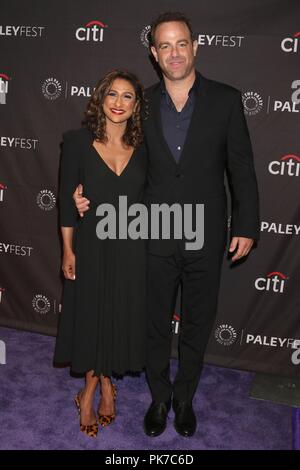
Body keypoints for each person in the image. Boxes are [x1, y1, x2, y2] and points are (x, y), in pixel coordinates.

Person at [73, 12, 260, 438]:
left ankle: (184, 397)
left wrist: (246, 223)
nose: (174, 53)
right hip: (152, 230)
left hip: (206, 232)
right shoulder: (143, 104)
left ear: (195, 47)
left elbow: (242, 168)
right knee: (154, 321)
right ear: (154, 54)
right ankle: (159, 397)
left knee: (197, 320)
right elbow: (112, 152)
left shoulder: (227, 100)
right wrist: (82, 193)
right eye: (164, 46)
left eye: (181, 44)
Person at [54, 70, 147, 437]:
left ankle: (104, 384)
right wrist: (67, 249)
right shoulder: (78, 142)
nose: (118, 103)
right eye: (112, 94)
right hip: (90, 245)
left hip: (131, 247)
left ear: (136, 105)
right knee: (92, 318)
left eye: (127, 97)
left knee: (116, 317)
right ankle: (91, 390)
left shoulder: (145, 146)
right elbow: (65, 202)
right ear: (100, 99)